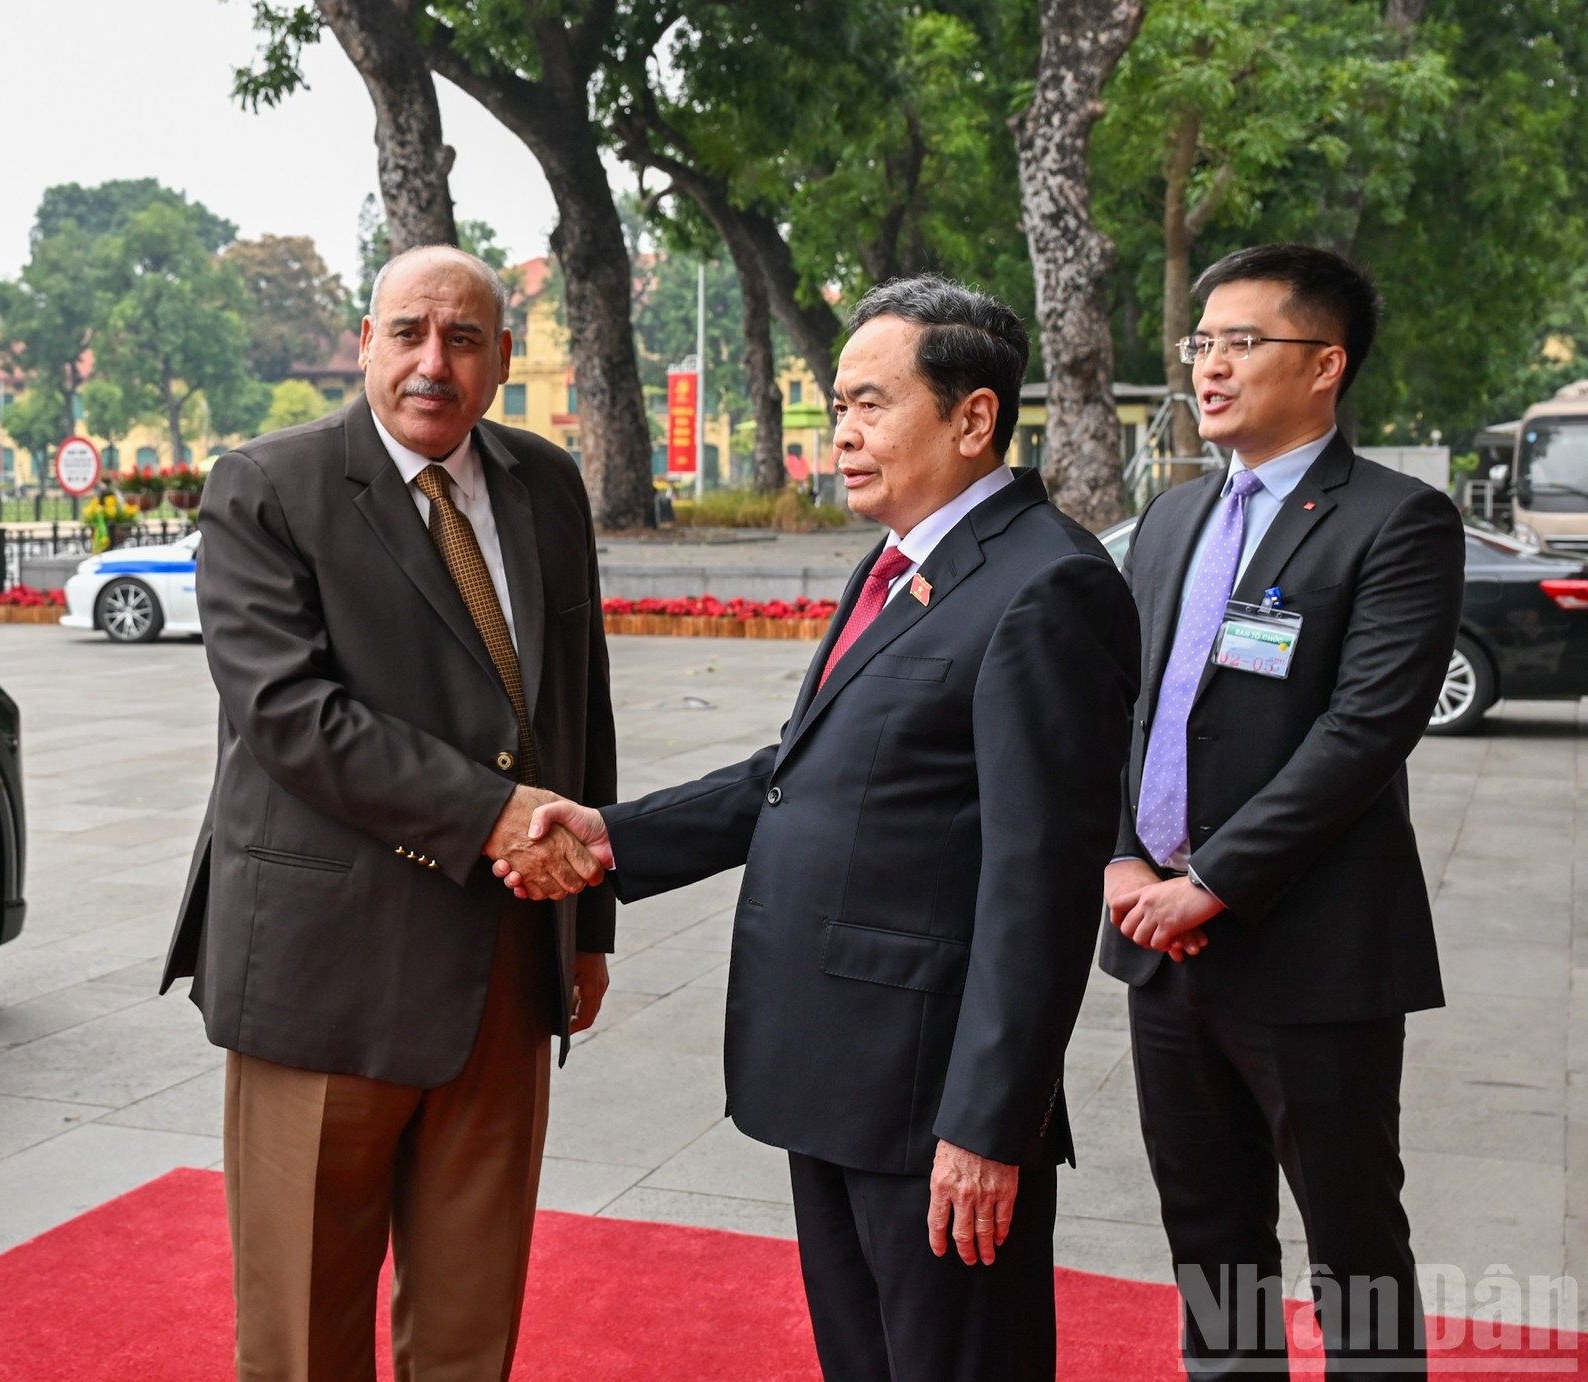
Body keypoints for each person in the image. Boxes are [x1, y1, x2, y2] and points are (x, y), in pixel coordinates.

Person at [507, 276, 1140, 1381]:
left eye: (867, 403)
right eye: (835, 404)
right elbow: (797, 775)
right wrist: (609, 832)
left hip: (929, 1099)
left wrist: (988, 1124)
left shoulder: (1047, 586)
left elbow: (1036, 887)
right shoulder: (899, 563)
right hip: (838, 1070)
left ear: (971, 416)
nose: (839, 433)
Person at [159, 244, 616, 1382]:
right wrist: (493, 815)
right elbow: (289, 716)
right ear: (363, 342)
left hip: (506, 969)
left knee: (470, 1329)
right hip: (327, 978)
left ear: (503, 357)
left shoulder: (543, 483)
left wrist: (589, 921)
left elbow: (577, 705)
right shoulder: (269, 485)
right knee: (304, 1335)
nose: (432, 362)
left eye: (463, 339)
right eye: (407, 332)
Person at [1100, 244, 1462, 1375]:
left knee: (1350, 1236)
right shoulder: (1169, 519)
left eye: (1239, 342)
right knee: (1208, 1230)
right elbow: (1123, 701)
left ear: (1323, 364)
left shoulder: (1393, 521)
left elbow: (1360, 732)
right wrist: (1117, 856)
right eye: (1199, 343)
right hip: (1159, 950)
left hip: (1310, 950)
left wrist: (1209, 879)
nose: (1207, 366)